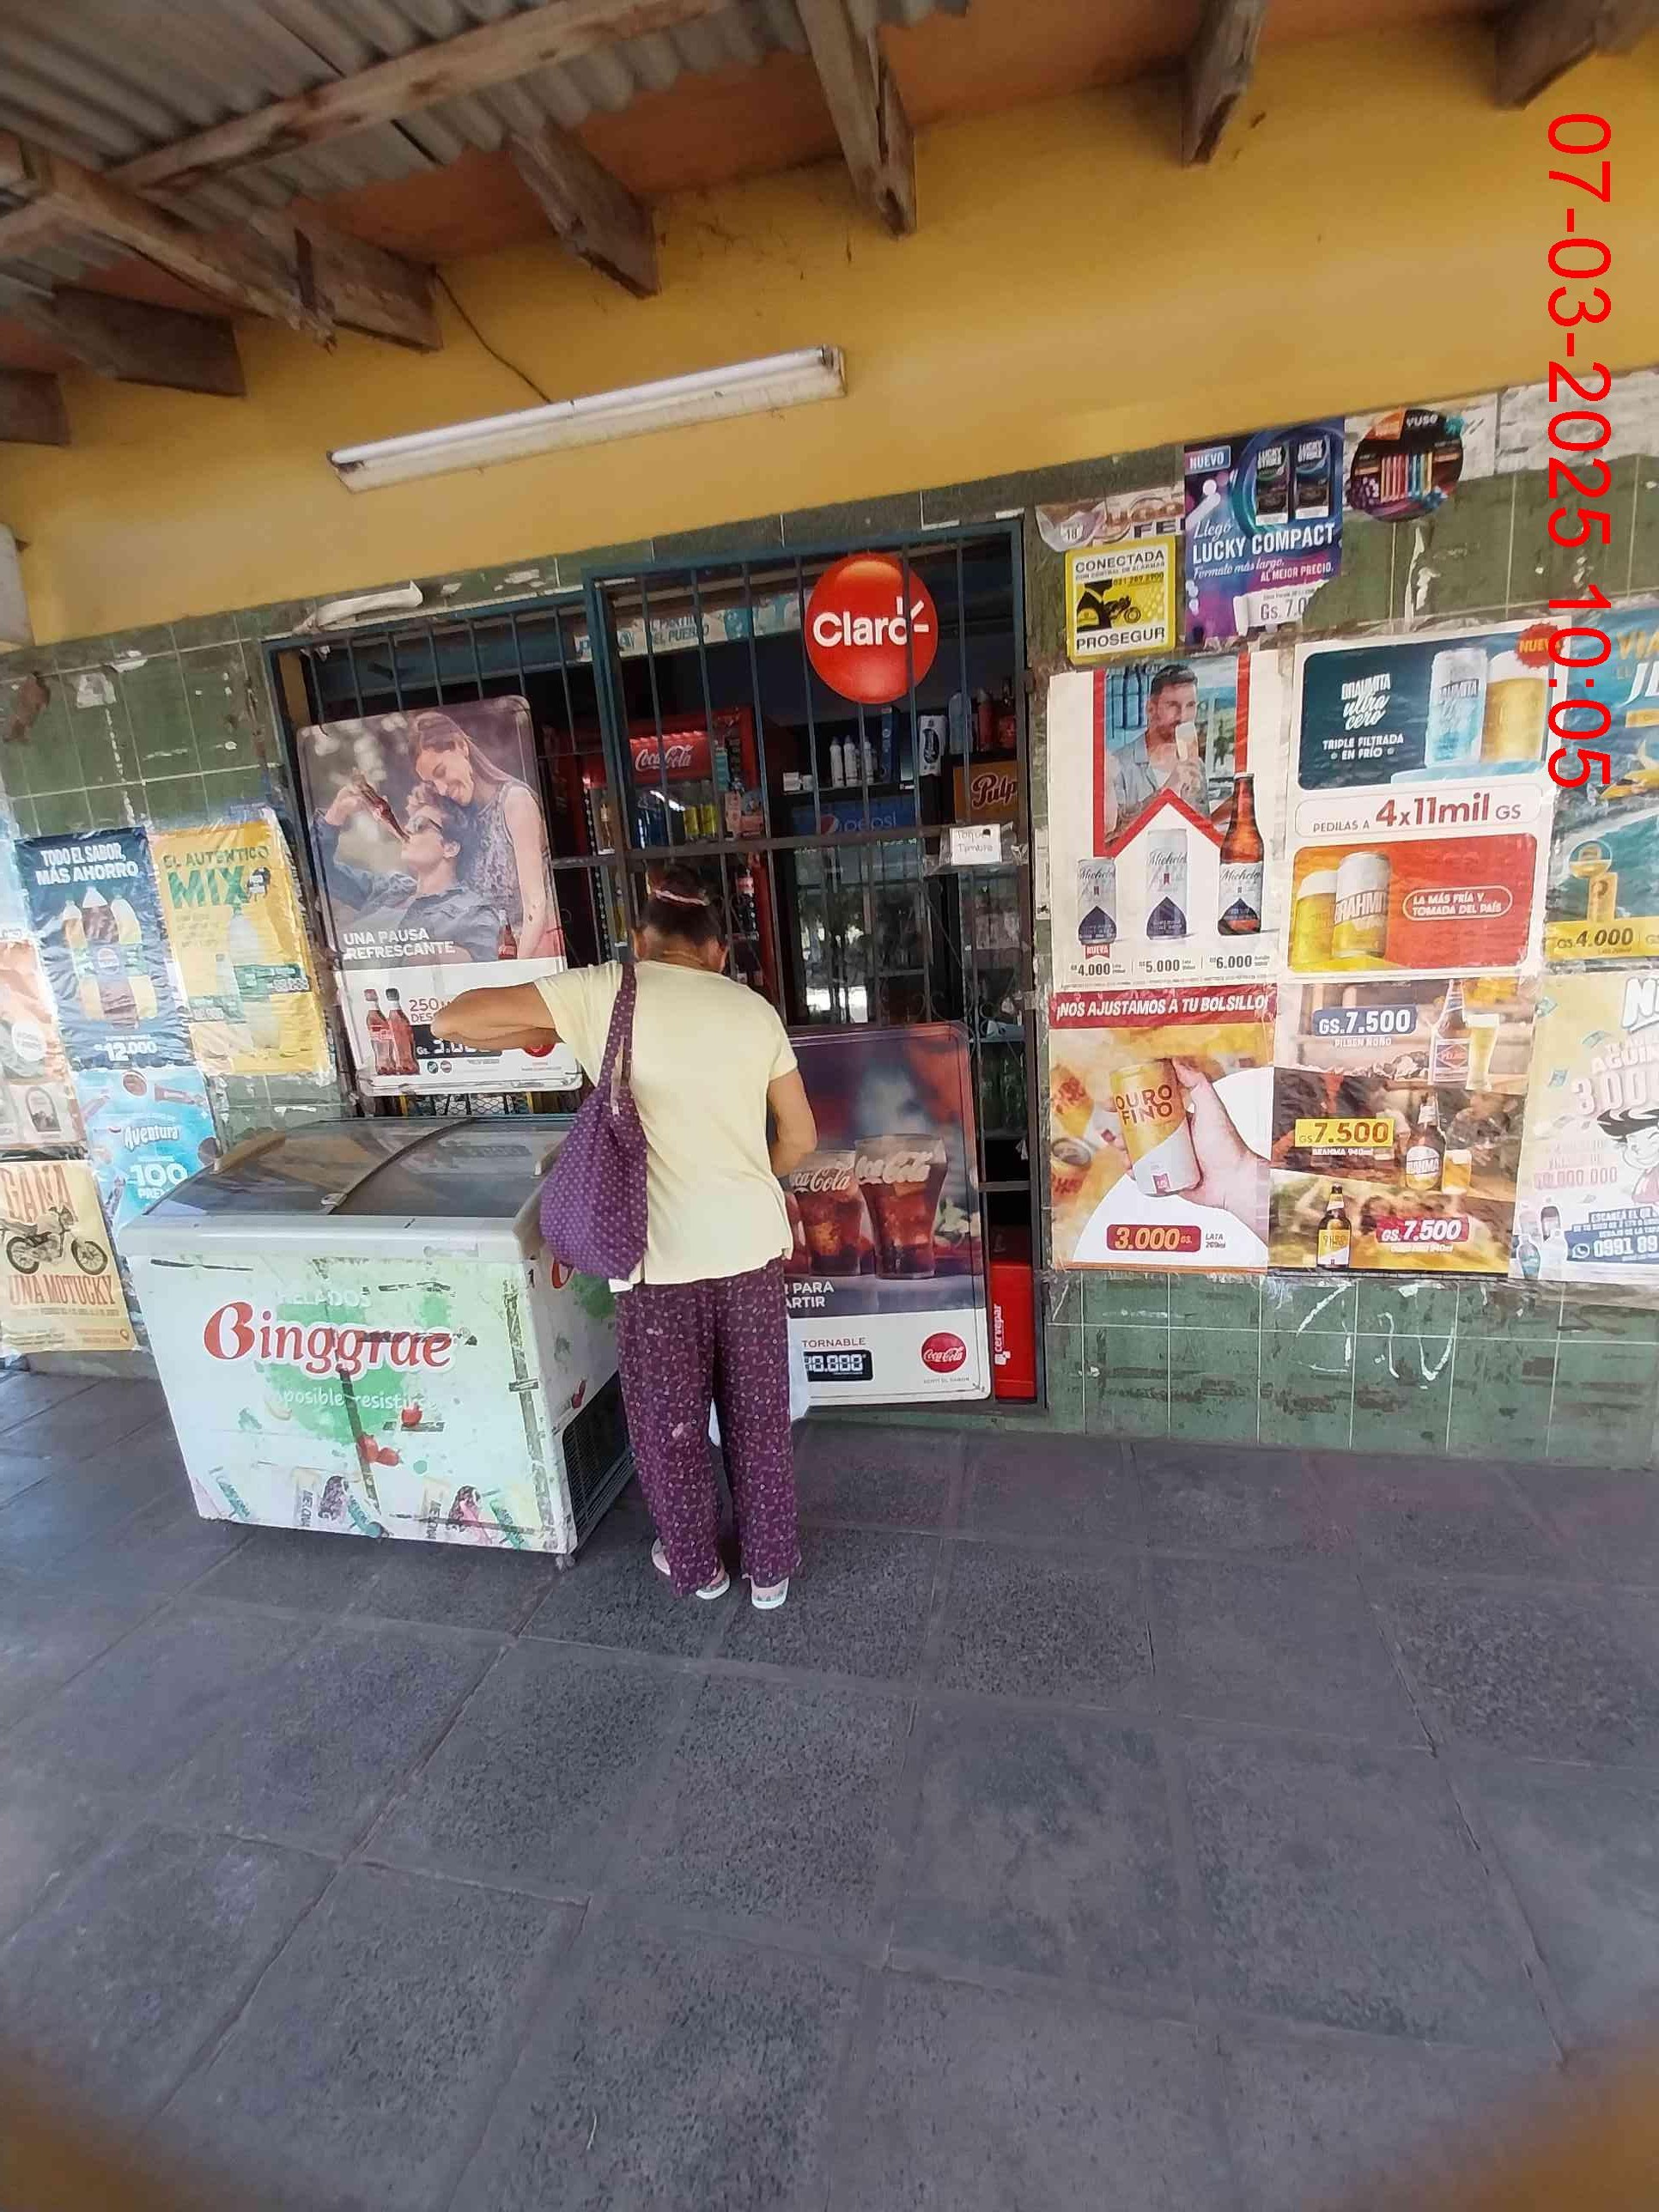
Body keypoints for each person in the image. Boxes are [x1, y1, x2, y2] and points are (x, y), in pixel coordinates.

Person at [432, 864, 817, 1607]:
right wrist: (745, 1179)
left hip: (656, 1263)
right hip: (750, 1248)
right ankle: (770, 1569)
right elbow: (800, 1138)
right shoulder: (753, 1011)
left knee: (672, 1429)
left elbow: (454, 1021)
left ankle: (698, 1568)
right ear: (718, 952)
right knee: (758, 1419)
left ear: (638, 940)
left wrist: (551, 1022)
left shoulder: (606, 991)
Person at [408, 707, 561, 958]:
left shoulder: (515, 801)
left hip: (531, 950)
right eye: (432, 783)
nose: (442, 789)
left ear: (461, 746)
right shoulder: (456, 817)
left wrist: (517, 971)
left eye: (441, 773)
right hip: (483, 955)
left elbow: (536, 904)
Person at [315, 783, 502, 964]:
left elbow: (486, 971)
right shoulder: (390, 888)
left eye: (419, 825)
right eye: (409, 823)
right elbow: (318, 871)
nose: (407, 830)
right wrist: (336, 813)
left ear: (450, 848)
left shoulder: (473, 913)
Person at [1104, 662, 1209, 830]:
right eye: (1172, 705)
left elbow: (1203, 830)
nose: (1183, 717)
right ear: (1150, 709)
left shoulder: (1197, 766)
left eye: (1190, 705)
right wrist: (1166, 793)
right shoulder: (1118, 767)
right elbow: (1112, 837)